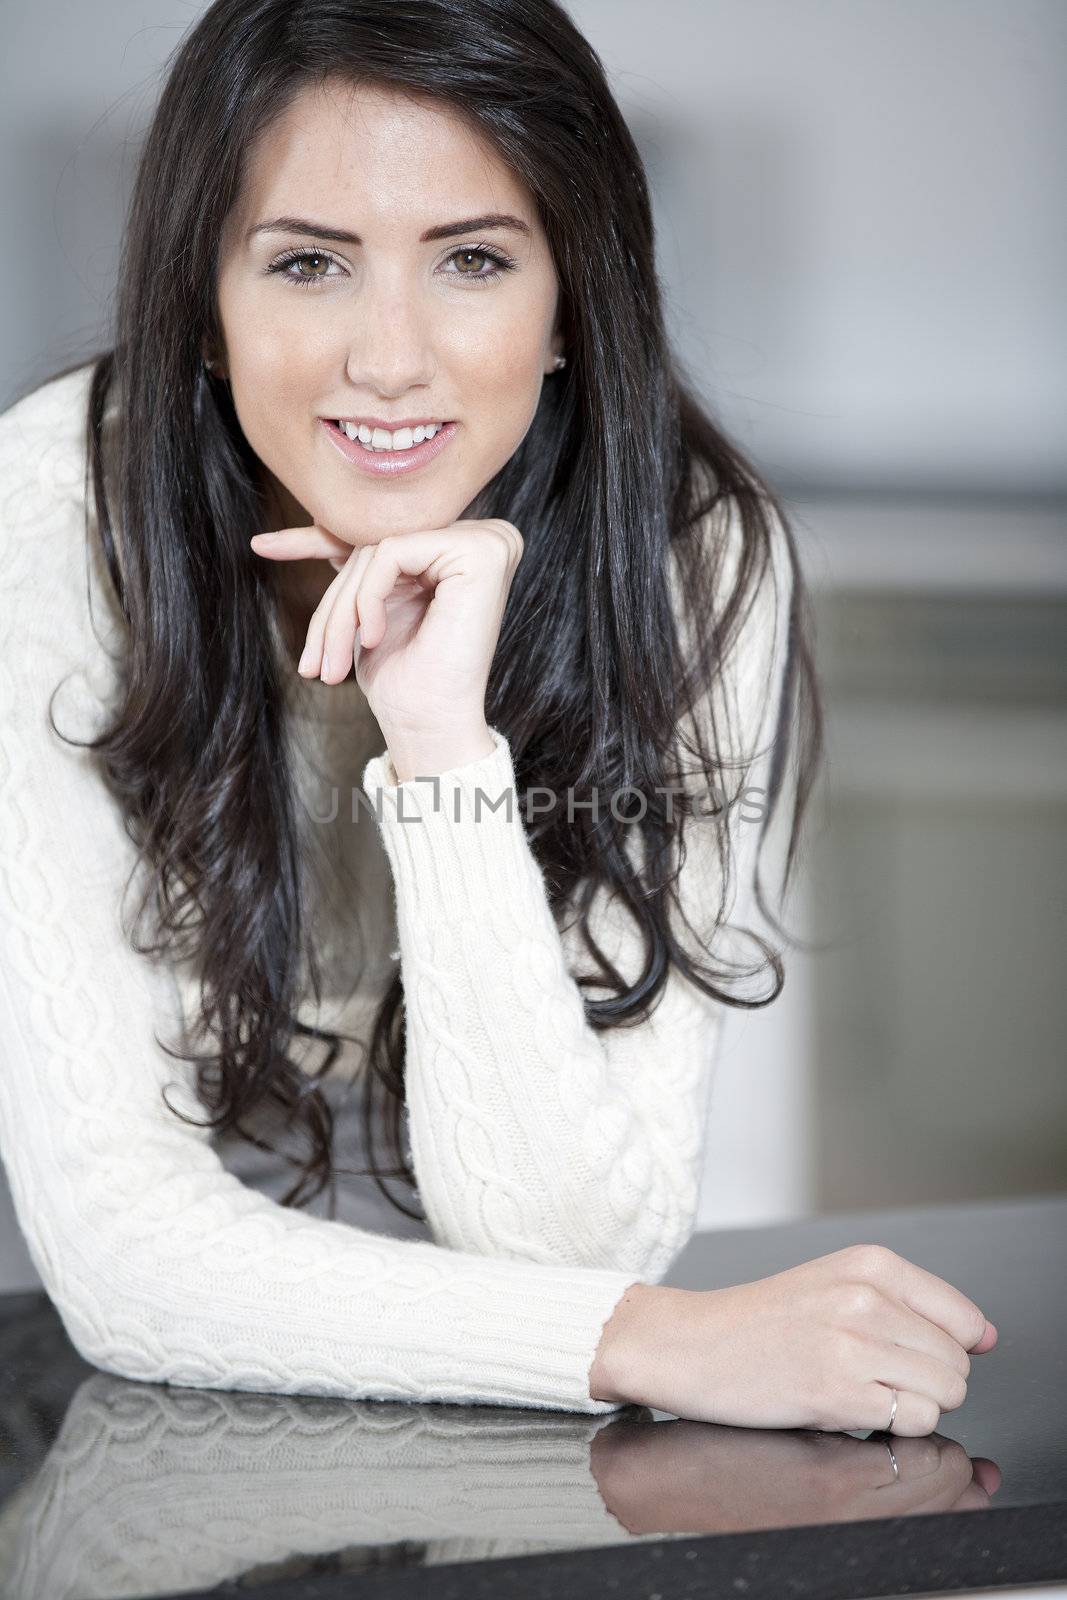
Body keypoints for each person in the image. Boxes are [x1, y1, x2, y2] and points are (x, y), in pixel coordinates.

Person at [0, 0, 995, 1434]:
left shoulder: (693, 559)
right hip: (89, 1367)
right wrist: (665, 1342)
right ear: (201, 317)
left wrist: (443, 751)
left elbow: (572, 1254)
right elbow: (121, 1261)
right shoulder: (46, 522)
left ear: (569, 308)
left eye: (471, 259)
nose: (390, 360)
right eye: (306, 264)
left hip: (471, 1349)